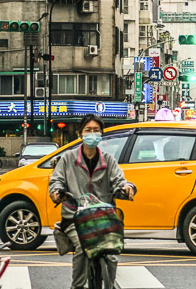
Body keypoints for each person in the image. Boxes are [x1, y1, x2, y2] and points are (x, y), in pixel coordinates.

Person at [48, 114, 134, 289]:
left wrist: (126, 188)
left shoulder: (108, 160)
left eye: (96, 130)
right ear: (80, 134)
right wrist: (57, 193)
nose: (92, 134)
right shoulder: (67, 159)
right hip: (75, 218)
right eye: (88, 130)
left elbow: (120, 180)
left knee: (111, 253)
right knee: (82, 248)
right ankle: (77, 286)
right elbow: (56, 181)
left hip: (103, 218)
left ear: (101, 134)